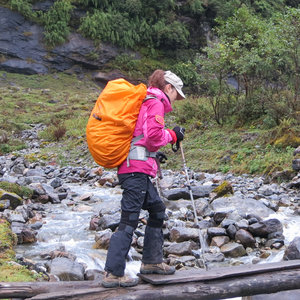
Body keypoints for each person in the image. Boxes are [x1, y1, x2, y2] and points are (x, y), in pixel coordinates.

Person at [102, 69, 186, 288]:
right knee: (129, 219)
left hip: (135, 169)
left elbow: (141, 136)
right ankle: (113, 273)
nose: (177, 98)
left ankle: (151, 262)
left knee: (157, 209)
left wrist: (153, 154)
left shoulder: (146, 100)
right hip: (135, 171)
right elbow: (154, 136)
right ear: (168, 88)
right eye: (177, 93)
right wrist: (173, 135)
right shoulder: (156, 101)